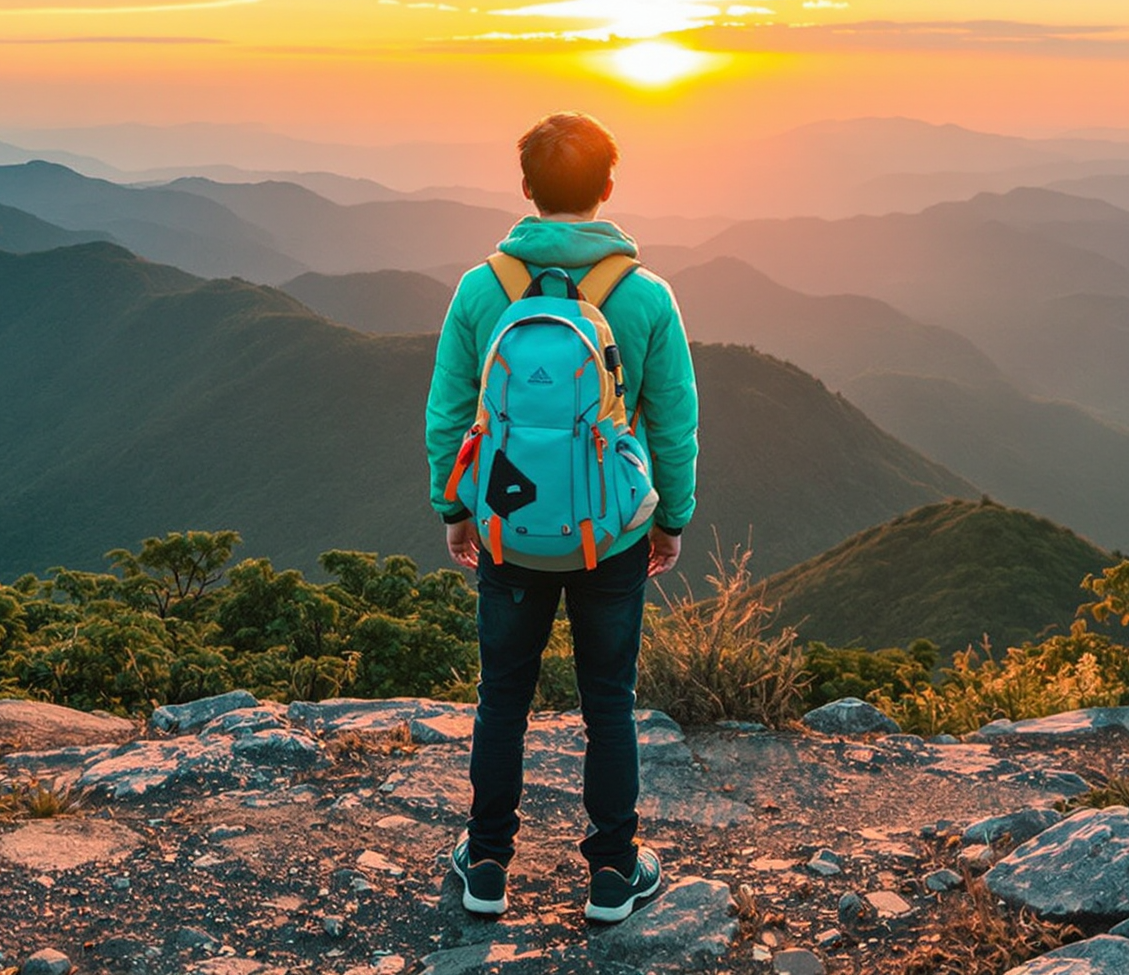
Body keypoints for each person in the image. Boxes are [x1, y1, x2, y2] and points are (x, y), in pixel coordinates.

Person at [424, 111, 698, 923]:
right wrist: (669, 518)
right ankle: (613, 871)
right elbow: (674, 421)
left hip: (507, 528)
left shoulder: (482, 290)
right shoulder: (644, 295)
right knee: (607, 701)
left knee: (501, 699)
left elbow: (447, 412)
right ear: (607, 188)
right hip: (610, 534)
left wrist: (455, 507)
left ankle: (485, 865)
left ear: (525, 189)